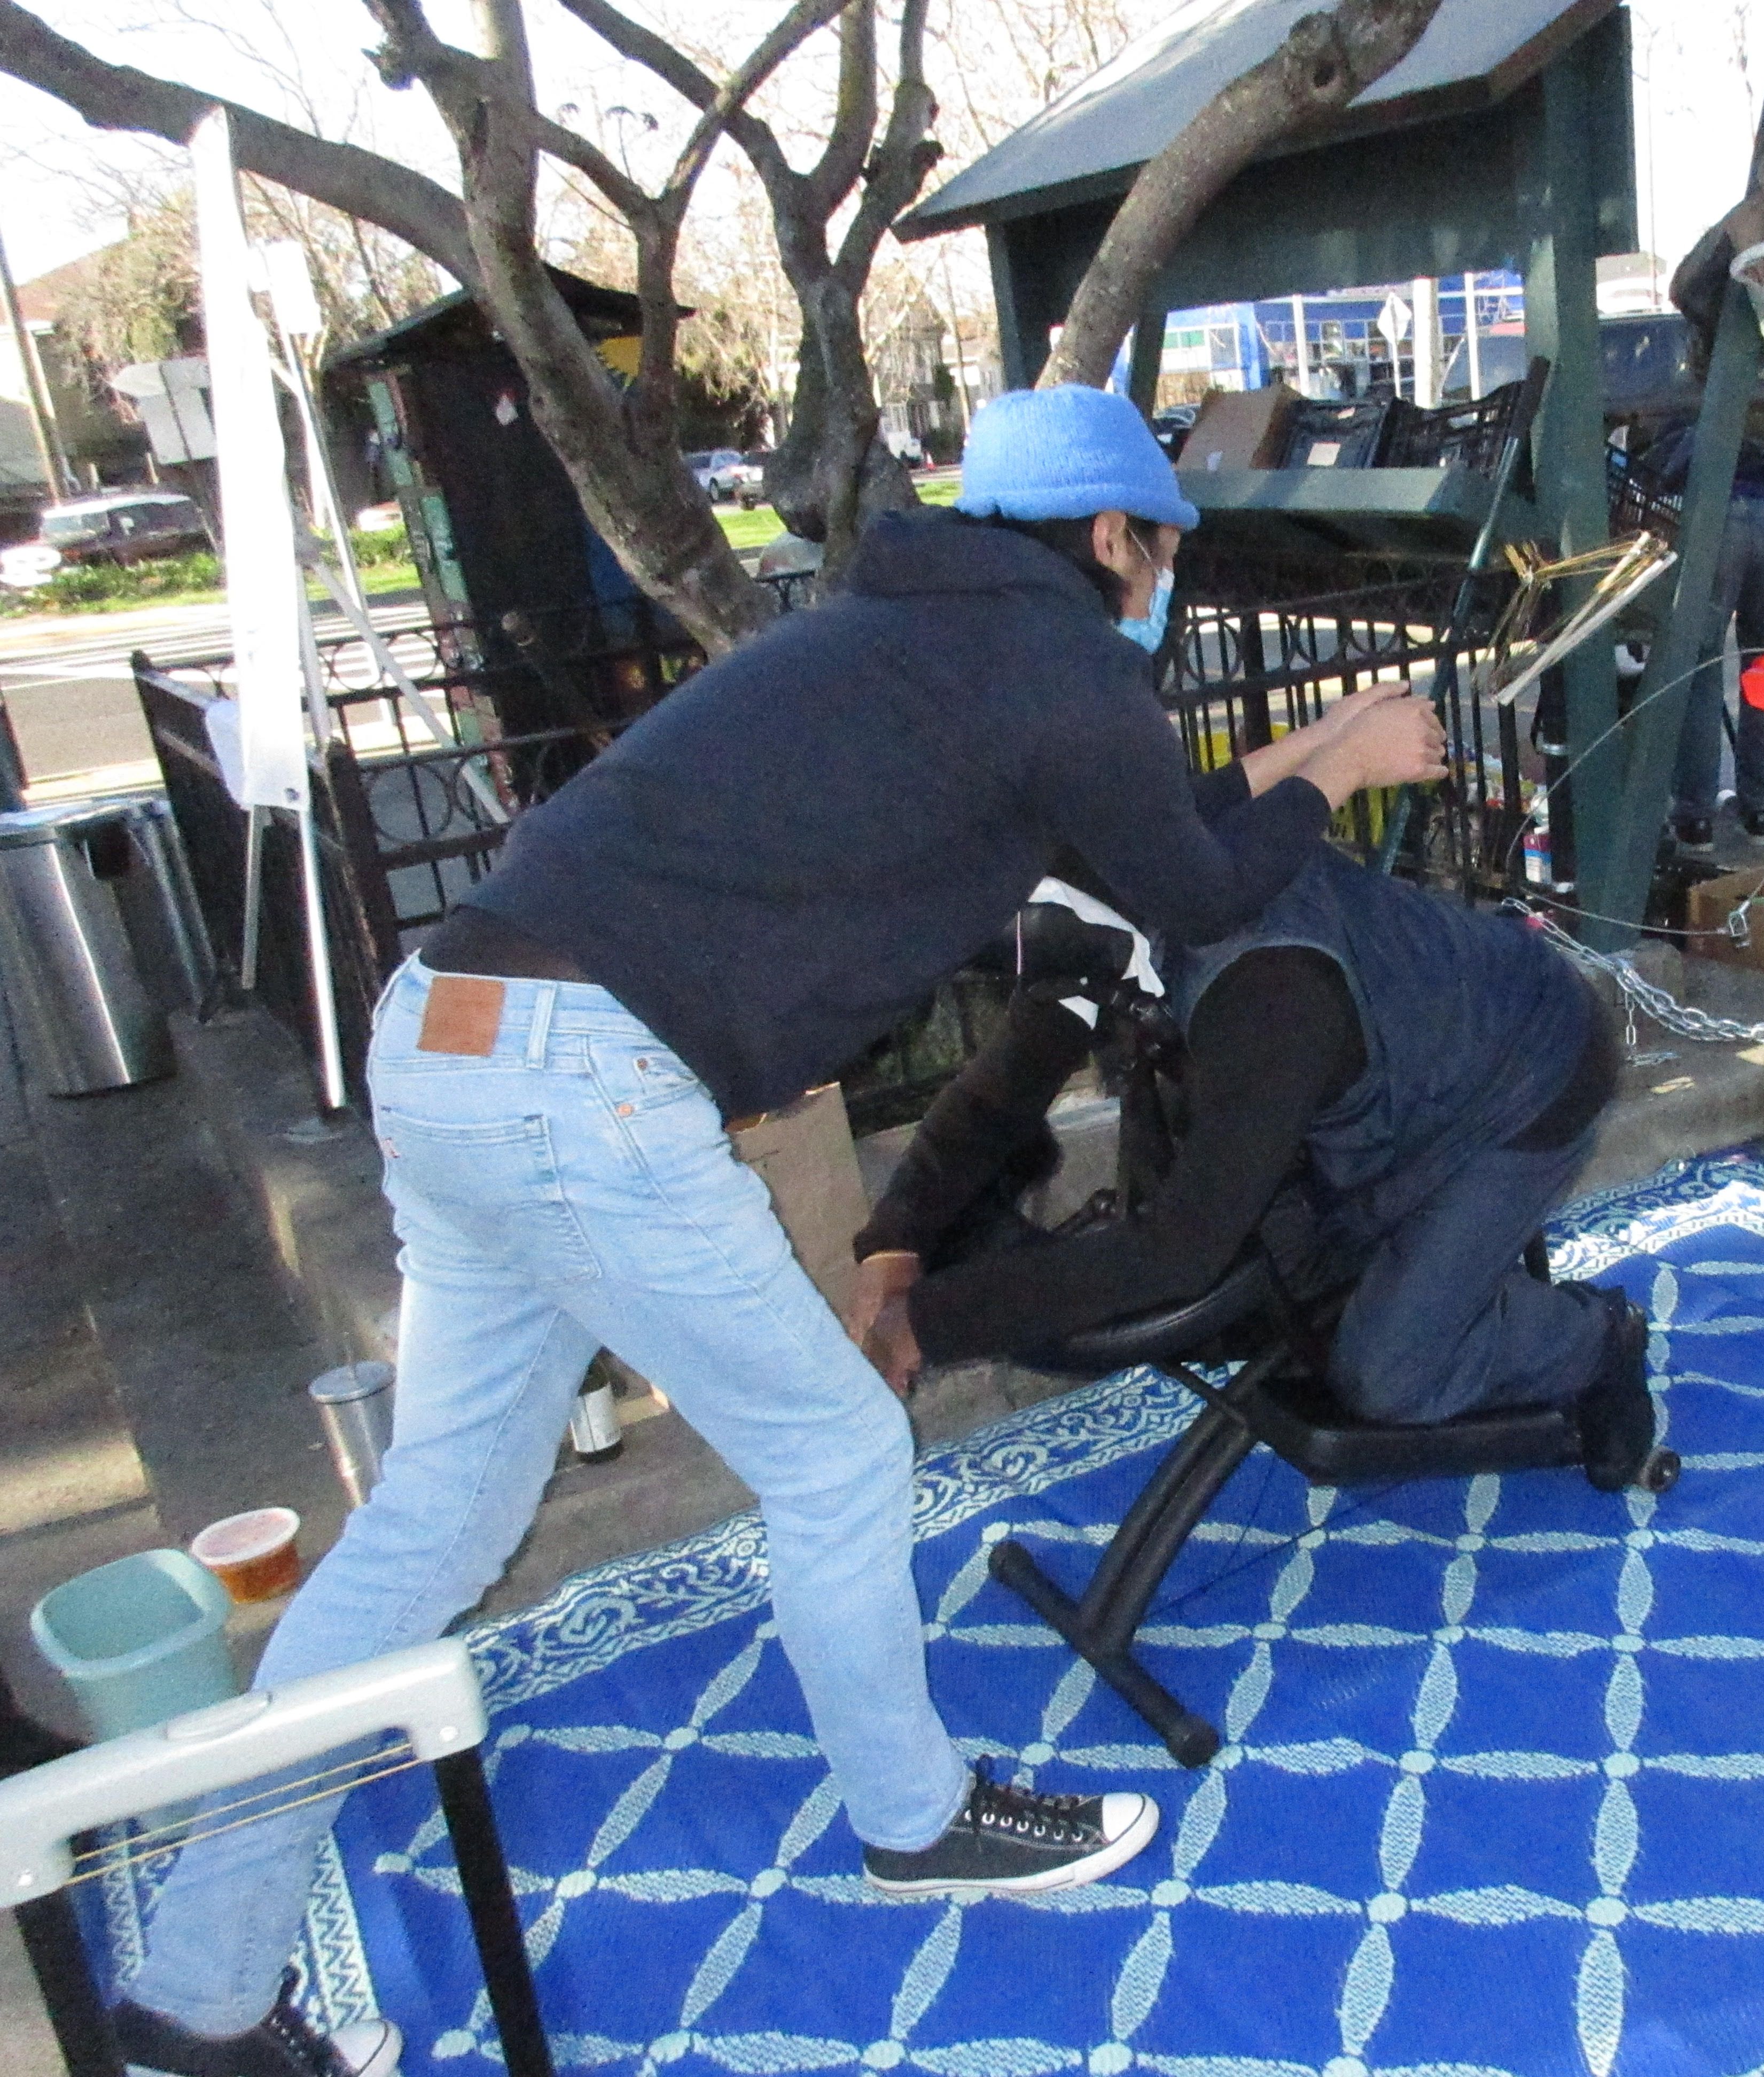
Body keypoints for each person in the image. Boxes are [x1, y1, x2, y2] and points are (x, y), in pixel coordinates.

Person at [107, 386, 1446, 2077]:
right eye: (1160, 551)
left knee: (432, 1522)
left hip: (444, 1031)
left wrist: (1319, 746)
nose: (1160, 589)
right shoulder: (1063, 665)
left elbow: (1148, 828)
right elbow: (1190, 886)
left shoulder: (909, 628)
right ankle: (919, 1820)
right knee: (834, 1457)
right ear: (1115, 536)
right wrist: (1350, 776)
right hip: (583, 1082)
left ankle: (197, 1996)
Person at [848, 848, 1664, 1488]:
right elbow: (996, 1099)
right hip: (1393, 1097)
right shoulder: (1117, 915)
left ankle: (1596, 1340)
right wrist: (896, 1241)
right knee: (1286, 1272)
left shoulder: (1269, 988)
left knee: (1389, 1375)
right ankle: (1444, 1283)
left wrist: (929, 1322)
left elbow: (1179, 1253)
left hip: (1527, 1081)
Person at [1648, 423, 1764, 852]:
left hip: (1715, 527)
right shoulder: (1757, 441)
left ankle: (1695, 817)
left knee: (1702, 669)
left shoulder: (1671, 442)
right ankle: (1761, 811)